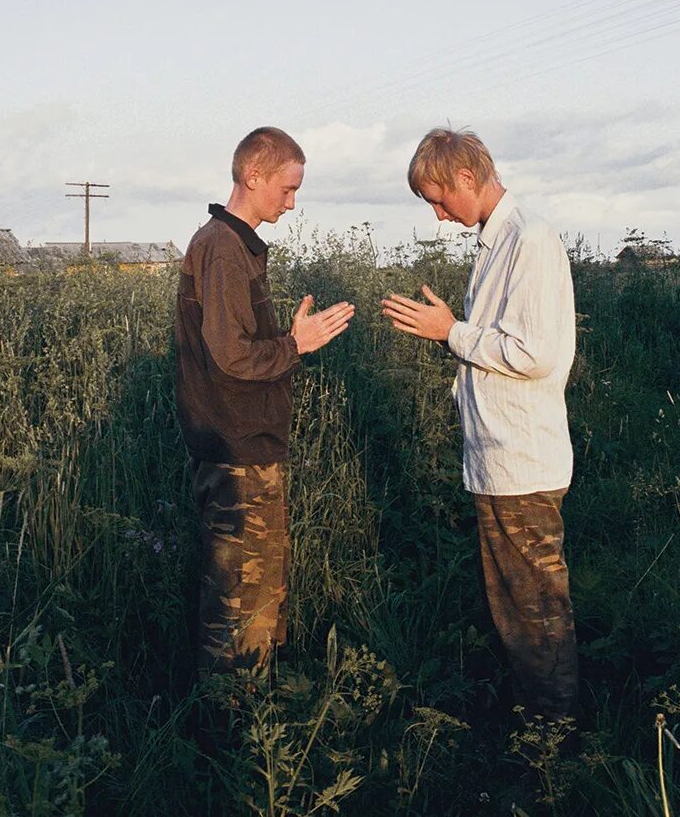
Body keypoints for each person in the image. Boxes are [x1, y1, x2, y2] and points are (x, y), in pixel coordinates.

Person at [381, 127, 578, 719]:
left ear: (467, 178)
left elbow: (535, 352)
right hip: (499, 462)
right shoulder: (497, 244)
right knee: (518, 613)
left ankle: (554, 751)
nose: (438, 216)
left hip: (522, 465)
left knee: (537, 616)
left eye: (439, 200)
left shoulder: (530, 241)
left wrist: (452, 332)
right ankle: (538, 730)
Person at [175, 126, 355, 674]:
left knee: (258, 597)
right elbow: (232, 356)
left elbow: (238, 348)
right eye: (287, 189)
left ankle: (250, 720)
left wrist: (287, 343)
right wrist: (296, 344)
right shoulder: (222, 249)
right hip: (236, 454)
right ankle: (229, 734)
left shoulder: (231, 246)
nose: (292, 203)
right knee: (237, 605)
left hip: (248, 447)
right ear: (253, 176)